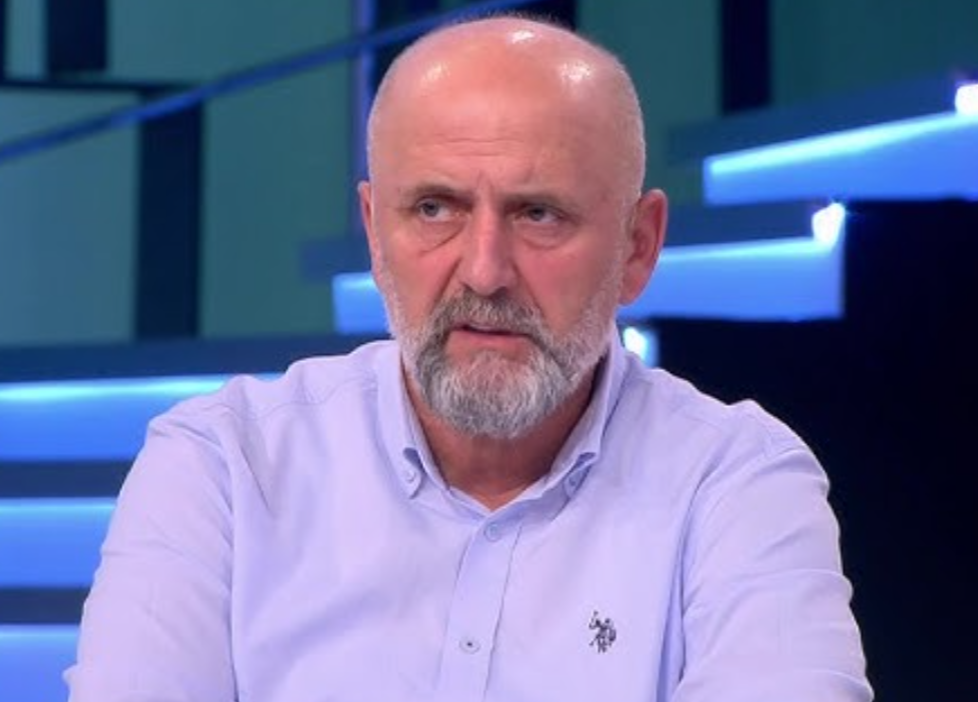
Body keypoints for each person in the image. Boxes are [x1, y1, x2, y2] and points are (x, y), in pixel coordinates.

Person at [66, 15, 872, 702]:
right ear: (374, 233)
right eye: (435, 208)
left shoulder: (737, 483)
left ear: (638, 247)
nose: (485, 271)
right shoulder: (222, 468)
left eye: (539, 214)